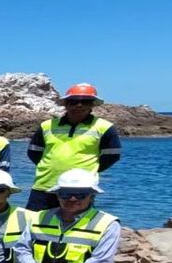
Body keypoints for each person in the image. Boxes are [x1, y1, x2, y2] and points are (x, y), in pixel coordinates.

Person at [26, 83, 122, 211]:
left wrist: (88, 171)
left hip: (81, 189)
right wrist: (50, 167)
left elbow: (112, 156)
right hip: (44, 186)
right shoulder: (47, 126)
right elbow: (34, 152)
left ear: (92, 105)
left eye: (85, 102)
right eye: (73, 102)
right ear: (66, 104)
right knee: (34, 221)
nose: (79, 105)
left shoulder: (104, 127)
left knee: (79, 223)